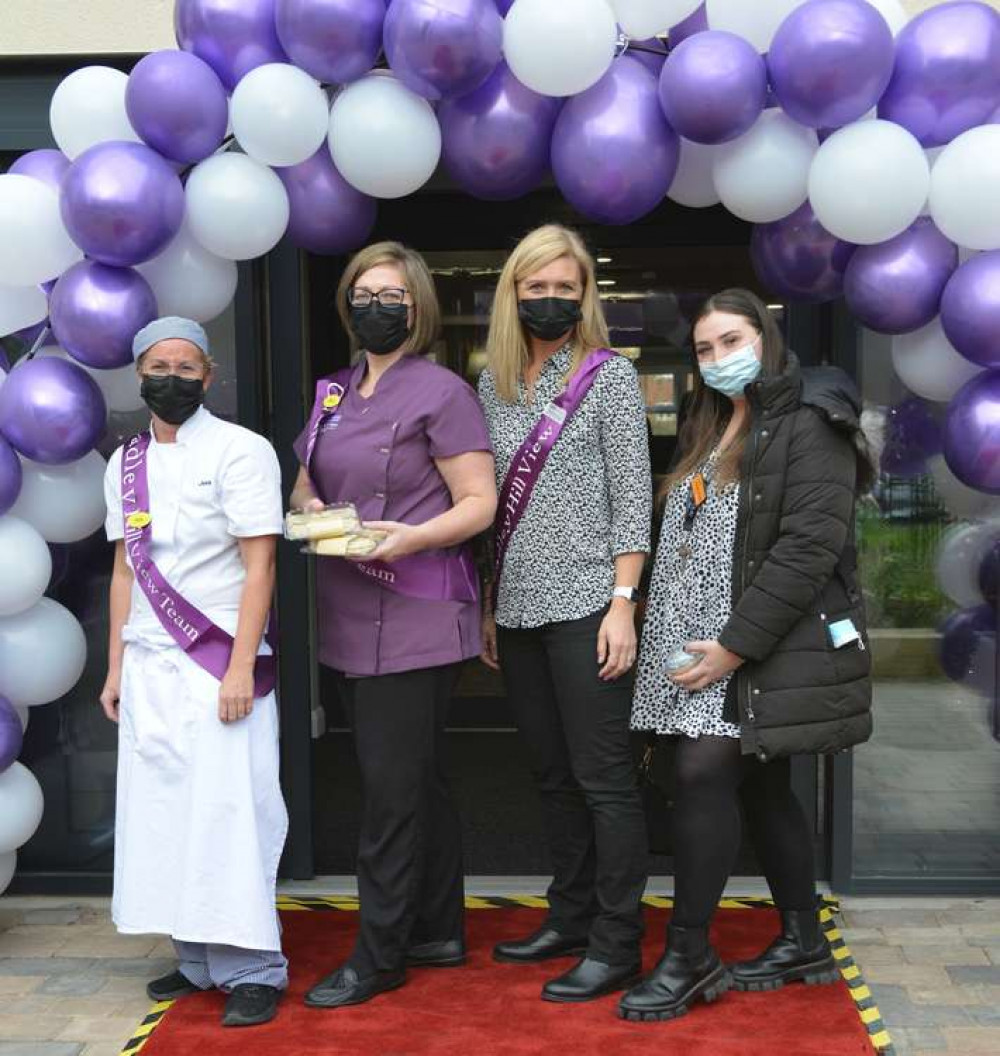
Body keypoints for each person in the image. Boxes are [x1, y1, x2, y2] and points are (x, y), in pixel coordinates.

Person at [622, 289, 873, 1023]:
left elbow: (806, 552)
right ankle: (802, 938)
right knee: (761, 788)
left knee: (704, 774)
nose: (719, 359)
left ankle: (690, 954)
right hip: (688, 639)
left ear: (766, 338)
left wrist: (732, 649)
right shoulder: (711, 424)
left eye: (732, 341)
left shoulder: (810, 424)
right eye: (704, 349)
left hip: (749, 646)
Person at [291, 242, 497, 1010]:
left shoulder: (442, 392)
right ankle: (437, 928)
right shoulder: (335, 391)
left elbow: (478, 501)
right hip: (348, 608)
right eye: (364, 292)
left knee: (388, 794)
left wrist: (408, 536)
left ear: (418, 309)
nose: (377, 305)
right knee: (416, 780)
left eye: (394, 295)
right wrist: (309, 506)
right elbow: (309, 473)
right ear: (348, 303)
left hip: (416, 610)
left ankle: (378, 955)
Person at [478, 224, 652, 1003]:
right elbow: (487, 508)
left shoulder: (609, 377)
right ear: (513, 293)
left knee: (604, 779)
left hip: (589, 605)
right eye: (535, 288)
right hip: (516, 611)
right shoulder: (495, 383)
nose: (550, 300)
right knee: (552, 777)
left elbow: (632, 497)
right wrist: (488, 604)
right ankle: (571, 916)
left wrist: (624, 602)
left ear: (586, 295)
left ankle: (618, 945)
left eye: (564, 288)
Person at [99, 317, 288, 1028]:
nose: (171, 378)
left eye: (185, 367)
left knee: (229, 812)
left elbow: (260, 563)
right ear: (139, 375)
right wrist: (115, 666)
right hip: (149, 664)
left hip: (218, 665)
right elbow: (124, 568)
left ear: (210, 376)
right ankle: (198, 959)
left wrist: (241, 664)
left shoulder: (242, 451)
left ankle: (254, 968)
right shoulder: (125, 464)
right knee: (164, 815)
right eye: (157, 366)